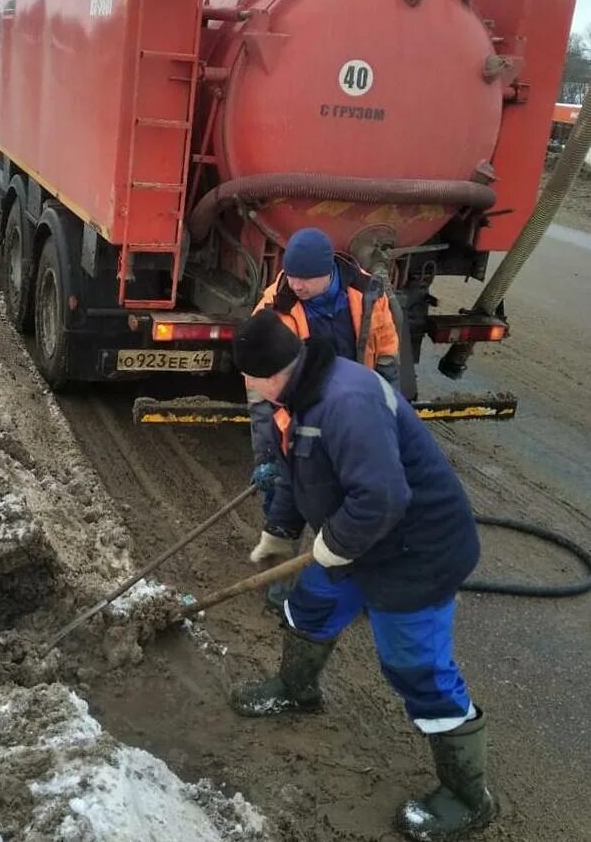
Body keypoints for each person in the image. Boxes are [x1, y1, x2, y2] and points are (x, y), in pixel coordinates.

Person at [231, 309, 495, 842]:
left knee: (414, 664)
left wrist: (335, 543)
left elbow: (384, 498)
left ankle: (470, 797)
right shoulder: (297, 395)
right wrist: (281, 529)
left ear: (268, 372)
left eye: (246, 377)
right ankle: (297, 689)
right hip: (362, 534)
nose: (246, 386)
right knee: (310, 606)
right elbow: (297, 470)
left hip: (415, 550)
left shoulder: (346, 402)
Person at [248, 228, 400, 604]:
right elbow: (260, 393)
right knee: (288, 496)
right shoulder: (274, 311)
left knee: (354, 501)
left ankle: (357, 582)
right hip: (298, 416)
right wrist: (267, 454)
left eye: (305, 279)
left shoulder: (366, 295)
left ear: (327, 272)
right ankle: (280, 588)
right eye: (291, 276)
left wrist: (390, 411)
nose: (295, 285)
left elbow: (386, 353)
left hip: (352, 411)